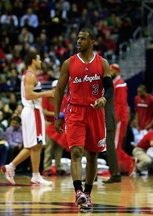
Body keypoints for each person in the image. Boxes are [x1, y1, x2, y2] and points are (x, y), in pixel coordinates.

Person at [53, 28, 114, 213]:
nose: (78, 41)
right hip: (75, 112)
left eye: (83, 39)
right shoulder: (68, 63)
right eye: (78, 38)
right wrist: (57, 116)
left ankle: (87, 193)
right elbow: (59, 90)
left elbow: (109, 88)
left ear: (92, 41)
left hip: (95, 113)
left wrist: (104, 99)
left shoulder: (102, 63)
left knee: (93, 154)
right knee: (76, 152)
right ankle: (78, 190)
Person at [1, 50, 54, 186]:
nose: (41, 61)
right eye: (39, 59)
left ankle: (11, 167)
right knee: (36, 145)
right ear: (33, 60)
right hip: (32, 111)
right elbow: (29, 95)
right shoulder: (30, 76)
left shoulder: (29, 75)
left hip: (32, 111)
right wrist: (48, 93)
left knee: (34, 145)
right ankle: (35, 176)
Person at [106, 64, 135, 177]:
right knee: (113, 146)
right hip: (116, 118)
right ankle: (118, 169)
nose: (109, 72)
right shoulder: (115, 84)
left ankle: (128, 162)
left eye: (111, 70)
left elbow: (120, 104)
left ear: (116, 71)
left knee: (114, 146)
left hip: (118, 119)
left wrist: (116, 119)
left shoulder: (120, 84)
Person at [42, 80, 68, 176]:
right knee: (49, 147)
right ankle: (47, 168)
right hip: (50, 124)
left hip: (59, 124)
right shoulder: (46, 97)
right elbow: (44, 111)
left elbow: (66, 112)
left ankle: (59, 167)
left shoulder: (64, 99)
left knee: (59, 147)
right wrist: (56, 114)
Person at [102, 93, 122, 183]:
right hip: (104, 119)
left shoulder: (107, 84)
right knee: (93, 147)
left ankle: (115, 174)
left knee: (110, 148)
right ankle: (91, 175)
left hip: (106, 120)